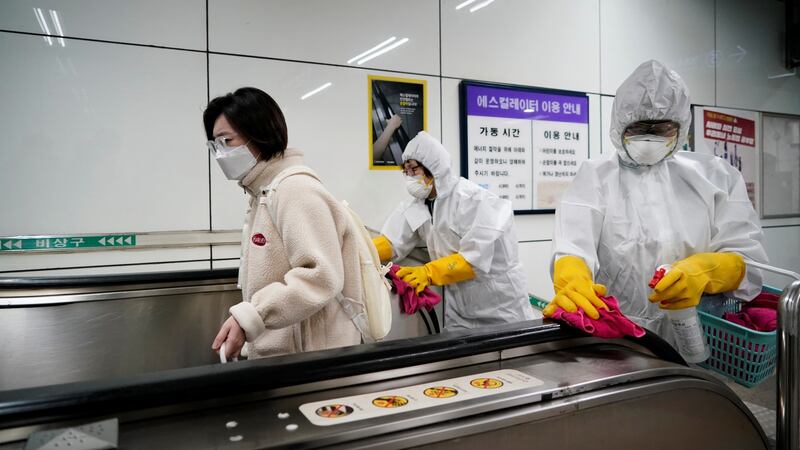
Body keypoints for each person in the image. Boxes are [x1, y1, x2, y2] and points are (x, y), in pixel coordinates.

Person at [544, 60, 768, 343]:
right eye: (639, 128)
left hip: (703, 331)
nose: (650, 138)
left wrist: (708, 271)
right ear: (620, 125)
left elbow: (749, 260)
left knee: (698, 386)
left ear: (681, 127)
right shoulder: (595, 177)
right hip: (619, 334)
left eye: (662, 129)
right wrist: (571, 274)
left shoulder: (716, 175)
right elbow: (572, 245)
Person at [205, 87, 360, 360]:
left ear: (259, 133)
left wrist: (253, 315)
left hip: (312, 360)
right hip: (286, 357)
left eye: (226, 141)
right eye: (214, 145)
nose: (220, 154)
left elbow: (321, 276)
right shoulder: (263, 193)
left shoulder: (295, 190)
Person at [372, 131, 534, 329]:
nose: (409, 177)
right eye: (406, 172)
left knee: (512, 357)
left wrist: (428, 272)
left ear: (433, 167)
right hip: (459, 309)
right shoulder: (418, 205)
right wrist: (363, 251)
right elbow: (392, 241)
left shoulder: (474, 200)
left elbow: (473, 260)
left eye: (414, 169)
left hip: (500, 306)